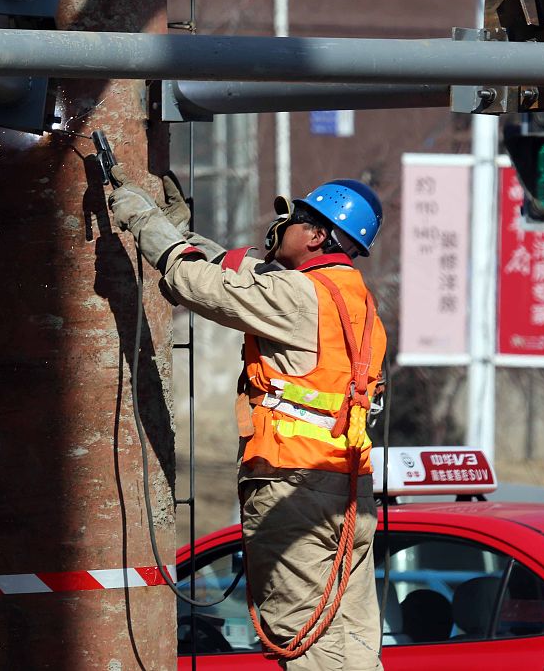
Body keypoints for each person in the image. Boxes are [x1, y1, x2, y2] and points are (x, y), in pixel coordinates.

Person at [108, 166, 387, 671]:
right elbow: (246, 274)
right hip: (345, 491)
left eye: (295, 218)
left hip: (292, 487)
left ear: (319, 234)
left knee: (302, 640)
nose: (281, 225)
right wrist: (184, 233)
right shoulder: (353, 298)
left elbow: (195, 282)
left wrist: (144, 220)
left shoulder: (299, 296)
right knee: (349, 640)